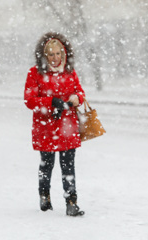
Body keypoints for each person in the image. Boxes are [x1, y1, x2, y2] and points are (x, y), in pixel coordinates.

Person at [24, 32, 86, 216]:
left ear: (64, 53)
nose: (55, 57)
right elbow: (29, 100)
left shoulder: (70, 72)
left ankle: (71, 202)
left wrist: (76, 98)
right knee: (47, 164)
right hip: (46, 127)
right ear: (44, 55)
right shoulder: (34, 73)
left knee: (68, 166)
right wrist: (51, 102)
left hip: (67, 127)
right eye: (51, 54)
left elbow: (80, 93)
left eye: (58, 53)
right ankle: (45, 197)